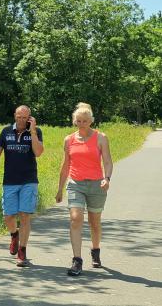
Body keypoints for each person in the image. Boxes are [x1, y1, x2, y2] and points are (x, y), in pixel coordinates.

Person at [56, 102, 113, 276]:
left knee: (94, 222)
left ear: (91, 121)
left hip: (96, 184)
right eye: (78, 121)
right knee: (75, 218)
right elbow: (65, 165)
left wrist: (107, 178)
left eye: (85, 121)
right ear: (74, 121)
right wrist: (60, 189)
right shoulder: (69, 140)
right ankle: (77, 260)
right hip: (75, 184)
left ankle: (95, 251)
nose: (82, 124)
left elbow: (108, 162)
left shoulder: (101, 138)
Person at [0, 105, 44, 267]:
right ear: (14, 116)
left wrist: (32, 131)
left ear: (30, 118)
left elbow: (39, 152)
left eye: (25, 118)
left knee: (25, 215)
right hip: (10, 181)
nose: (21, 120)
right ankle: (14, 234)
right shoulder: (6, 132)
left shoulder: (36, 131)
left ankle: (22, 251)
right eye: (19, 117)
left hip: (29, 180)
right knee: (8, 216)